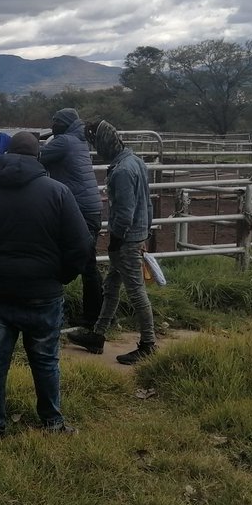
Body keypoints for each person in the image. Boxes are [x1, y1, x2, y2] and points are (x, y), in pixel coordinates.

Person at [0, 131, 92, 439]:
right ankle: (52, 423)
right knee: (45, 359)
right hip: (43, 293)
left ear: (6, 154)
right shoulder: (58, 192)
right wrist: (59, 276)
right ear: (38, 156)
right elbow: (81, 245)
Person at [67, 121, 157, 364]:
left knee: (136, 292)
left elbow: (124, 211)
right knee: (111, 287)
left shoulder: (122, 171)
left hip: (126, 240)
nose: (97, 149)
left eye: (97, 144)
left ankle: (148, 343)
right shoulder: (135, 161)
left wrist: (116, 240)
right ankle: (98, 334)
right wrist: (145, 233)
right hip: (136, 235)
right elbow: (147, 203)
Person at [39, 108, 103, 331]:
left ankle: (92, 320)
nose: (52, 125)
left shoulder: (64, 141)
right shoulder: (77, 140)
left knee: (84, 265)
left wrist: (31, 140)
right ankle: (95, 317)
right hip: (89, 209)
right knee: (88, 265)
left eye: (55, 122)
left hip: (80, 210)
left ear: (64, 124)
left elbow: (35, 157)